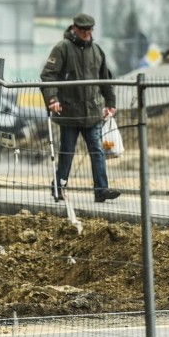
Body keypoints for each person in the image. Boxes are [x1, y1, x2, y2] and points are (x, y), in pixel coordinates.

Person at [40, 13, 121, 203]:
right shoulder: (62, 48)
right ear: (74, 28)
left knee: (97, 151)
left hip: (92, 113)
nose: (86, 33)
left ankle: (101, 190)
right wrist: (52, 99)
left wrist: (110, 103)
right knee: (68, 152)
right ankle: (59, 187)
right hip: (69, 112)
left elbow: (105, 79)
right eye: (83, 30)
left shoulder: (97, 51)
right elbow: (49, 75)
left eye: (89, 30)